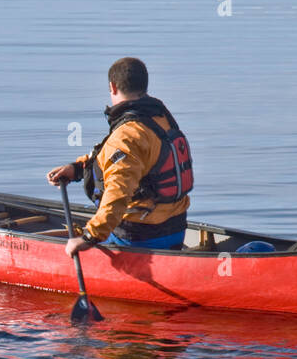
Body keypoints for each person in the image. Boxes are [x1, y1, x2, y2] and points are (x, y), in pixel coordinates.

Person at [47, 58, 193, 255]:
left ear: (112, 87)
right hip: (175, 230)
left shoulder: (127, 135)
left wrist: (89, 237)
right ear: (144, 85)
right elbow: (122, 159)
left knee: (69, 235)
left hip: (137, 238)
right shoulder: (160, 119)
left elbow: (118, 194)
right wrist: (78, 168)